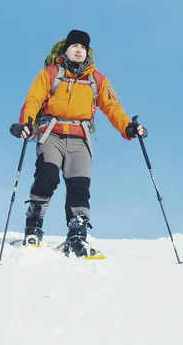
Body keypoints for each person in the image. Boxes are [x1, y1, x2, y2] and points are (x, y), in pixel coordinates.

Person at [10, 29, 147, 258]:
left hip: (80, 137)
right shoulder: (51, 73)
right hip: (51, 133)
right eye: (74, 45)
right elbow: (33, 100)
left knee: (80, 187)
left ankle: (77, 236)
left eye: (83, 47)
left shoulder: (96, 80)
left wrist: (127, 127)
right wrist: (26, 124)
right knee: (47, 178)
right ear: (66, 49)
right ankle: (33, 226)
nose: (79, 50)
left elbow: (112, 107)